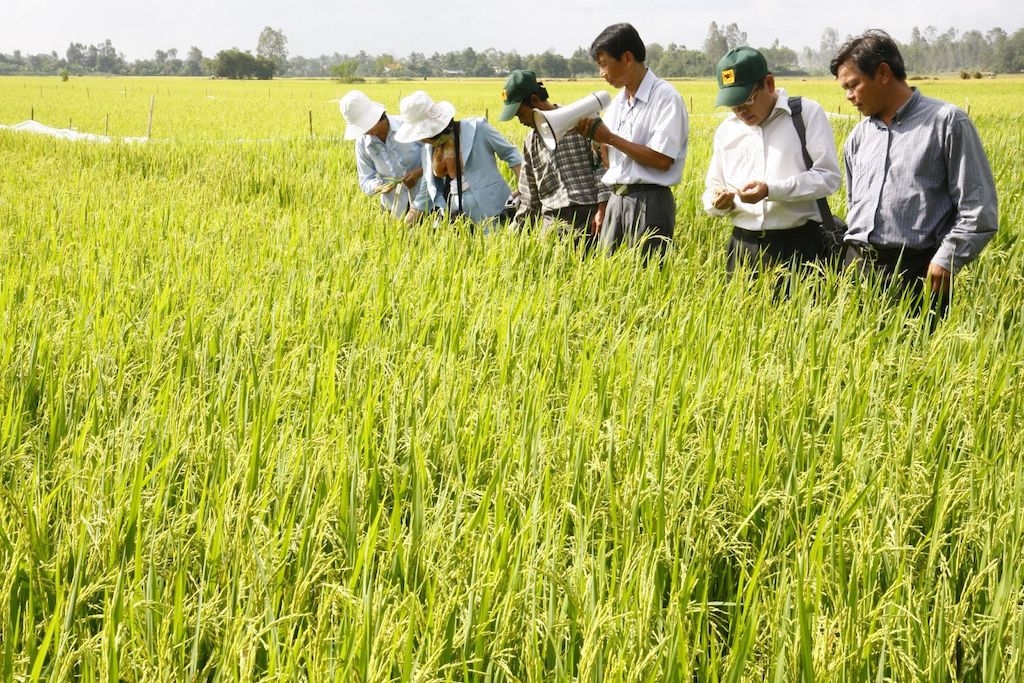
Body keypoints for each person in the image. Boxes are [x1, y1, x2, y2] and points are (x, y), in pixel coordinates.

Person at [830, 29, 998, 317]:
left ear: (883, 73)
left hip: (917, 271)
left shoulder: (947, 123)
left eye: (853, 85)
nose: (849, 97)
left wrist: (947, 259)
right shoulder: (858, 137)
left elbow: (978, 209)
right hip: (857, 268)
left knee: (915, 359)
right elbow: (854, 202)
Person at [703, 47, 841, 275]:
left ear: (769, 83)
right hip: (741, 247)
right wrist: (719, 202)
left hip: (797, 245)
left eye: (746, 99)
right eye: (733, 104)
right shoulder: (726, 130)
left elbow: (828, 178)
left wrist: (770, 190)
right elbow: (712, 187)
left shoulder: (805, 115)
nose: (740, 111)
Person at [579, 22, 688, 257]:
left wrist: (609, 137)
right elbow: (614, 164)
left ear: (627, 58)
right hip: (617, 198)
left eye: (604, 64)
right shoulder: (617, 103)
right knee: (611, 278)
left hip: (649, 202)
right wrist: (596, 139)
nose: (602, 73)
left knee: (647, 278)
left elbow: (662, 160)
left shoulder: (665, 97)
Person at [498, 70, 609, 246]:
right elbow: (529, 198)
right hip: (553, 223)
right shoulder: (530, 142)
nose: (520, 121)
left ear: (534, 100)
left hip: (590, 215)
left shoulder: (580, 121)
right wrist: (509, 238)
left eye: (520, 113)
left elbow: (602, 166)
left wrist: (603, 208)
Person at [394, 90, 522, 227]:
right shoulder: (428, 149)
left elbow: (511, 154)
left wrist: (524, 191)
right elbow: (427, 190)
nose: (421, 139)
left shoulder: (478, 129)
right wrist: (403, 228)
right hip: (457, 217)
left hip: (493, 209)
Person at [339, 90, 429, 224]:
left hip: (425, 203)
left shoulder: (408, 126)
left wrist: (418, 173)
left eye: (366, 125)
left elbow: (435, 157)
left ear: (377, 117)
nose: (365, 131)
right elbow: (365, 180)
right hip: (392, 209)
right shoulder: (362, 142)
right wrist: (380, 186)